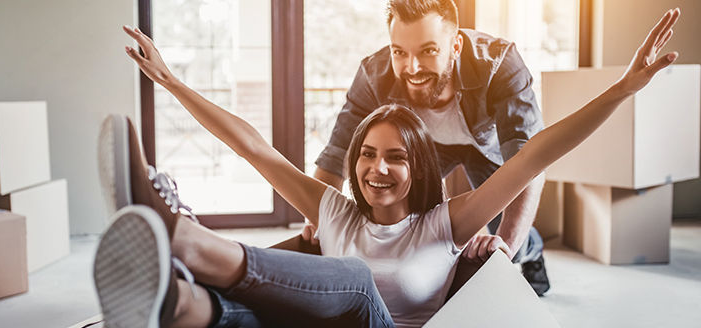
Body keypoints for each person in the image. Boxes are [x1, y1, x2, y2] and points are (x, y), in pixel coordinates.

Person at [94, 8, 680, 328]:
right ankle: (171, 301)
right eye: (368, 154)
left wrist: (623, 88)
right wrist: (171, 82)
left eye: (396, 156)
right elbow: (256, 148)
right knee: (241, 313)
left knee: (352, 278)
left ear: (419, 166)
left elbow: (535, 153)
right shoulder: (334, 208)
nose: (377, 168)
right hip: (323, 323)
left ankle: (182, 236)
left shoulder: (447, 224)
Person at [303, 0, 549, 295]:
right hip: (428, 147)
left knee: (505, 234)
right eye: (400, 52)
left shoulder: (499, 63)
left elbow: (529, 161)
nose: (413, 67)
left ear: (455, 46)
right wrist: (316, 223)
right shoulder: (373, 74)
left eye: (428, 50)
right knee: (419, 223)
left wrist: (506, 250)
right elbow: (336, 155)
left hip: (489, 148)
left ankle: (532, 251)